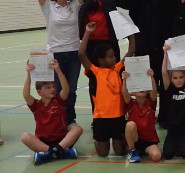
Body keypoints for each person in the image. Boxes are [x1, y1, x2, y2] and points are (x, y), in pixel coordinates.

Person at [35, 0, 88, 125]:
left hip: (73, 55)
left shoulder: (74, 5)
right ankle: (58, 121)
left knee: (71, 90)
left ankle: (70, 119)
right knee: (57, 90)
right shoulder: (48, 7)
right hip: (55, 55)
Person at [79, 22, 135, 157]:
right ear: (101, 60)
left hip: (118, 117)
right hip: (101, 118)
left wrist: (131, 35)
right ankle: (97, 140)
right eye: (110, 57)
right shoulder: (95, 72)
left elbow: (131, 51)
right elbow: (81, 53)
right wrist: (87, 32)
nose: (114, 58)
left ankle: (123, 141)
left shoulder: (117, 68)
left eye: (114, 56)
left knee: (120, 152)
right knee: (102, 153)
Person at [22, 59, 82, 164]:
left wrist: (58, 70)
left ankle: (49, 154)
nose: (53, 89)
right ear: (39, 92)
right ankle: (60, 153)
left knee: (77, 129)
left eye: (54, 86)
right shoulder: (36, 105)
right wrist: (29, 75)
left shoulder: (59, 101)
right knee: (25, 137)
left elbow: (66, 90)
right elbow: (26, 95)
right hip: (43, 142)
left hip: (62, 140)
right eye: (48, 87)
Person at [161, 44, 185, 160]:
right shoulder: (169, 88)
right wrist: (165, 53)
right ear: (171, 79)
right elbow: (164, 72)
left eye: (181, 77)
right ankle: (175, 144)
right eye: (175, 78)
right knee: (167, 155)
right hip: (172, 129)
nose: (179, 80)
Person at [121, 68, 161, 163]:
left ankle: (142, 151)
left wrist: (151, 77)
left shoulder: (151, 103)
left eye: (144, 87)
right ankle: (132, 150)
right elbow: (125, 93)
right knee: (130, 124)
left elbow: (154, 92)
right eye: (138, 87)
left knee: (156, 156)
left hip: (149, 141)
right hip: (135, 139)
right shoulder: (131, 104)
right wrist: (125, 79)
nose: (141, 89)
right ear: (133, 92)